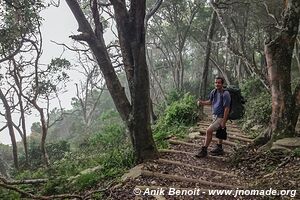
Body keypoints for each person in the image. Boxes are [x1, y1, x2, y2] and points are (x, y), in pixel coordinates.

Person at [195, 76, 231, 158]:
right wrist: (202, 103)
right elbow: (210, 102)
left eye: (219, 83)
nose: (217, 84)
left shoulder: (226, 94)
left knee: (208, 131)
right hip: (215, 116)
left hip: (221, 117)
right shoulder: (214, 92)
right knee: (220, 131)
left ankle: (204, 150)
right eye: (216, 82)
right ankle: (219, 148)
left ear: (222, 84)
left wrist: (224, 121)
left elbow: (227, 108)